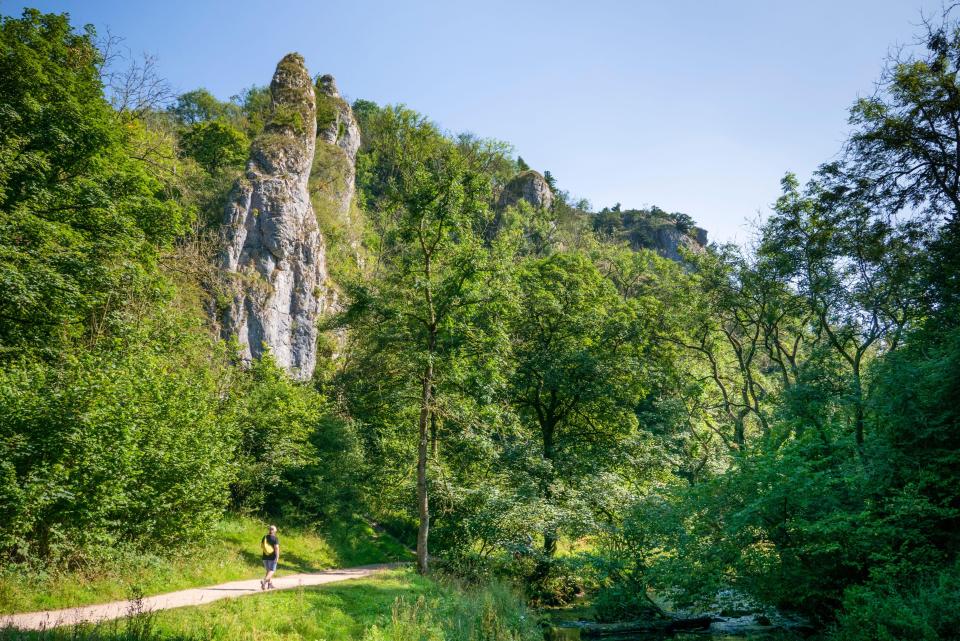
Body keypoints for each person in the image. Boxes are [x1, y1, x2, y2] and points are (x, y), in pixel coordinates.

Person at [260, 525, 280, 590]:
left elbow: (262, 546)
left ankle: (269, 584)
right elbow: (276, 548)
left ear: (269, 530)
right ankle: (264, 581)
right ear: (275, 531)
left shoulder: (264, 537)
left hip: (265, 556)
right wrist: (277, 557)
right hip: (272, 557)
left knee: (268, 571)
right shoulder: (275, 538)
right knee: (272, 571)